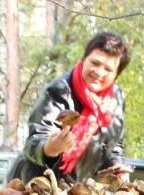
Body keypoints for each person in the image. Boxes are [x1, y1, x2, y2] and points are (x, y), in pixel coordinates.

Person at [7, 32, 131, 184]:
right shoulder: (58, 91)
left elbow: (115, 144)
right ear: (84, 60)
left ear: (116, 75)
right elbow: (35, 141)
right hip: (32, 184)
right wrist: (50, 147)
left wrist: (118, 168)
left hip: (76, 188)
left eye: (108, 69)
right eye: (95, 63)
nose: (99, 72)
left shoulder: (116, 100)